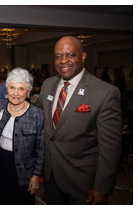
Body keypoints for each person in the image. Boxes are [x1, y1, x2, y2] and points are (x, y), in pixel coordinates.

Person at [34, 36, 122, 205]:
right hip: (51, 177)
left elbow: (110, 147)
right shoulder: (48, 84)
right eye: (58, 56)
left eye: (70, 54)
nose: (63, 61)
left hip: (83, 183)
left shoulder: (105, 93)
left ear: (82, 57)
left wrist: (102, 187)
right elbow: (35, 111)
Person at [0, 68, 44, 205]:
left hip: (23, 170)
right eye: (12, 87)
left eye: (21, 89)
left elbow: (41, 149)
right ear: (7, 88)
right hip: (0, 164)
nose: (15, 93)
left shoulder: (37, 114)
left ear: (29, 91)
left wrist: (36, 176)